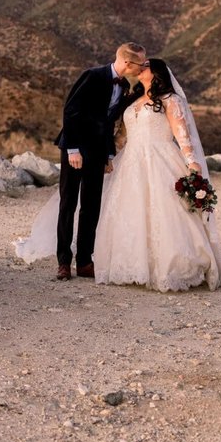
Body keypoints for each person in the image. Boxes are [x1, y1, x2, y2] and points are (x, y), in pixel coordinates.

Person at [90, 57, 221, 291]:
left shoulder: (171, 101)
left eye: (146, 65)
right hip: (131, 161)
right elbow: (123, 136)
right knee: (130, 210)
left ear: (158, 73)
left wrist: (193, 163)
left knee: (166, 210)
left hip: (161, 158)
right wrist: (110, 156)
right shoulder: (133, 100)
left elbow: (182, 135)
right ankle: (133, 265)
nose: (141, 67)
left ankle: (172, 266)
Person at [48, 42, 146, 280]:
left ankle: (84, 261)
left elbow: (110, 122)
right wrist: (72, 150)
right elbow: (71, 111)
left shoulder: (123, 85)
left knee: (91, 206)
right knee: (68, 203)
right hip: (75, 147)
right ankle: (63, 262)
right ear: (127, 62)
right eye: (140, 64)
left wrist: (108, 154)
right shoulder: (92, 76)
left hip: (98, 152)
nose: (141, 68)